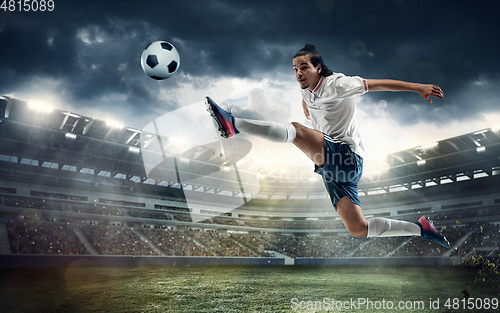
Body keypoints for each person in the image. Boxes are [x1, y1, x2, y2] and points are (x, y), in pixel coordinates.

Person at [206, 44, 450, 248]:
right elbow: (308, 101)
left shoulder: (337, 84)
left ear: (318, 68)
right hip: (334, 167)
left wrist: (417, 87)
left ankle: (234, 124)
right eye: (295, 69)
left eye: (304, 67)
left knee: (297, 131)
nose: (298, 73)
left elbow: (377, 84)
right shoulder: (306, 89)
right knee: (358, 228)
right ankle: (421, 229)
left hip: (347, 156)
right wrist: (307, 109)